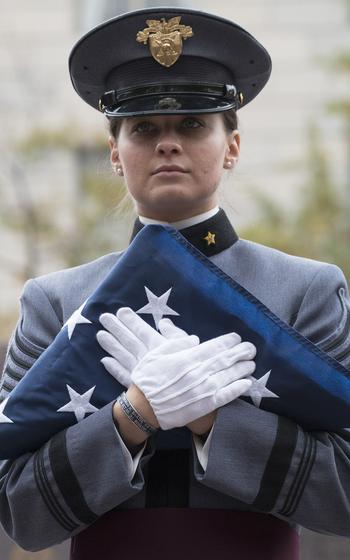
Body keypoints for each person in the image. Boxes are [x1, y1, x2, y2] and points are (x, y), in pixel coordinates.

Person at [1, 6, 350, 560]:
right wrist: (132, 416)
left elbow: (345, 495)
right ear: (115, 154)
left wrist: (213, 418)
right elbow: (17, 509)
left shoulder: (306, 290)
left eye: (193, 124)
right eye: (143, 128)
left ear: (231, 146)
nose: (168, 143)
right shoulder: (55, 301)